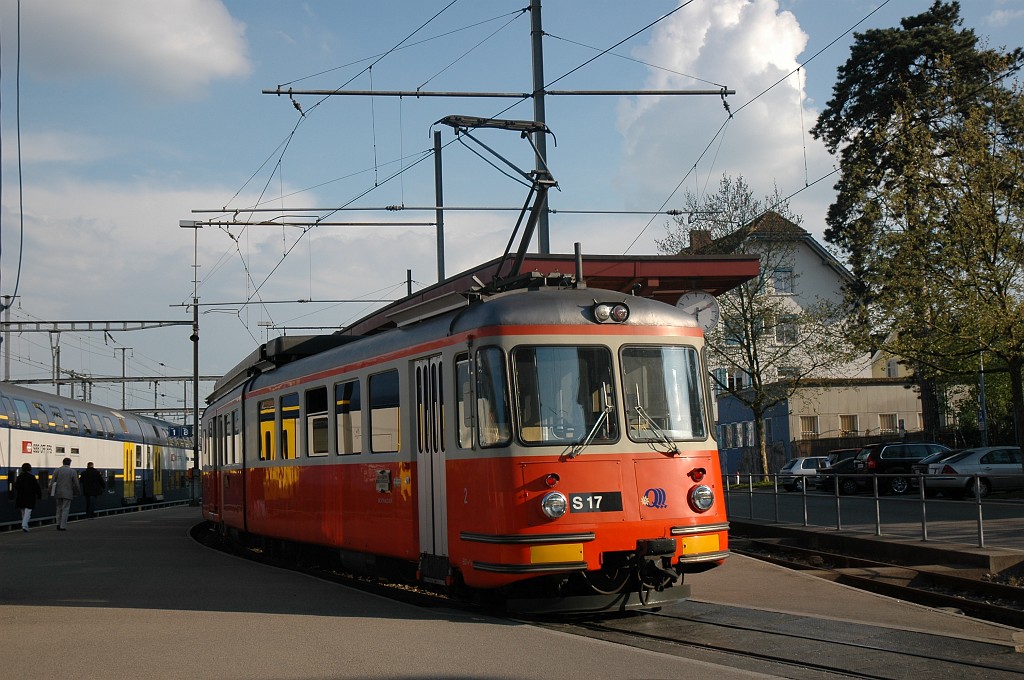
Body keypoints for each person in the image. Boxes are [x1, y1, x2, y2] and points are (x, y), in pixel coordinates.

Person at [49, 457, 80, 531]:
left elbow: (52, 481)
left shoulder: (57, 470)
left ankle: (58, 524)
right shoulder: (72, 471)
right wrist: (78, 491)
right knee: (65, 509)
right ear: (69, 463)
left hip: (58, 492)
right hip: (68, 493)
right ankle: (63, 526)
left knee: (58, 508)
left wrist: (50, 490)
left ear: (63, 462)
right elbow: (76, 483)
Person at [14, 462, 42, 532]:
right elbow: (36, 487)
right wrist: (39, 495)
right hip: (30, 497)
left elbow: (16, 487)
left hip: (21, 497)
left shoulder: (19, 477)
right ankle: (24, 525)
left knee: (23, 511)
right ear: (29, 469)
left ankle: (25, 525)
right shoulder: (32, 477)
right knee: (28, 511)